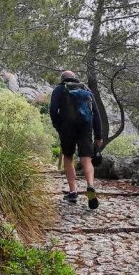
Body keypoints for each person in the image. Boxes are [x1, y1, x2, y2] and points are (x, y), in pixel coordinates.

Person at [49, 71, 103, 209]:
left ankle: (73, 192)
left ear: (62, 79)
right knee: (86, 158)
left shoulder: (59, 89)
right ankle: (90, 185)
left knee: (68, 157)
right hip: (85, 127)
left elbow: (53, 110)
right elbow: (95, 113)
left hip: (67, 127)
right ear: (74, 77)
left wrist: (58, 126)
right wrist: (98, 135)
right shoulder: (85, 88)